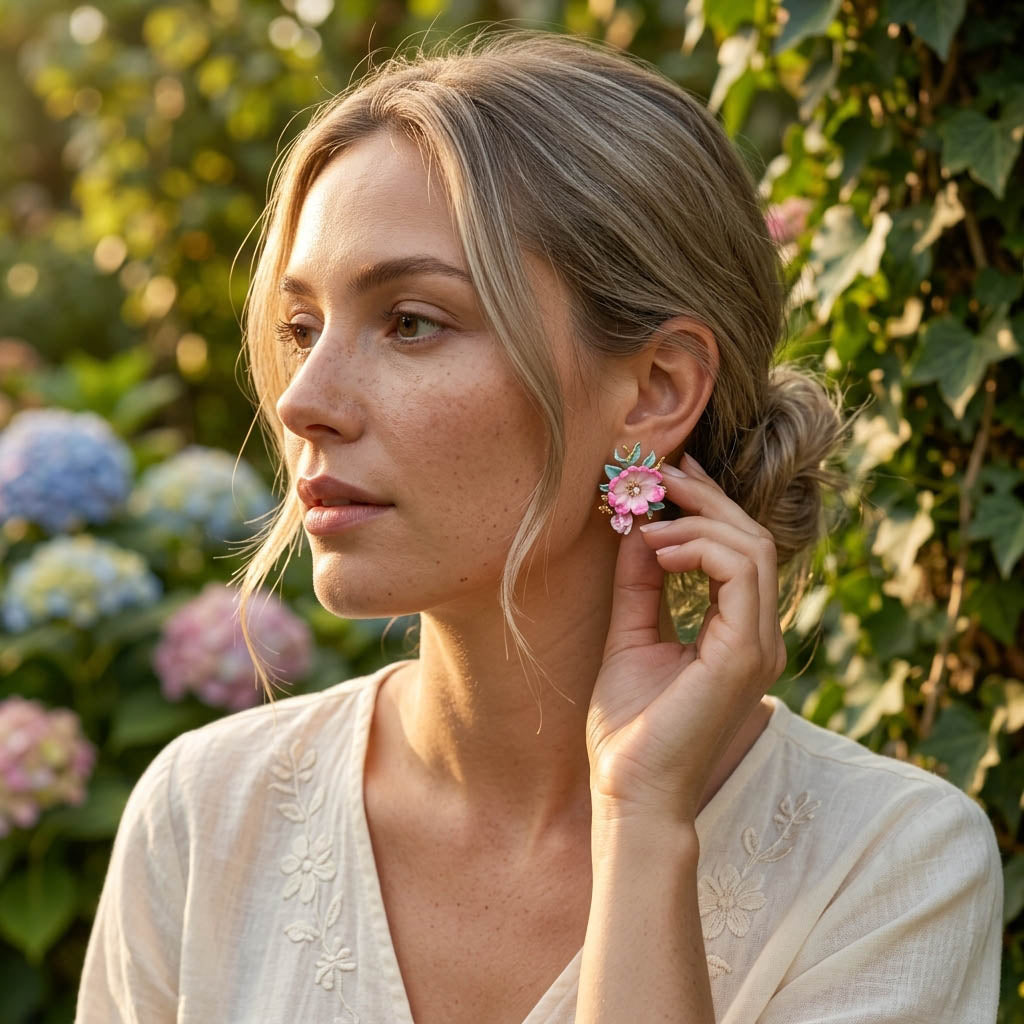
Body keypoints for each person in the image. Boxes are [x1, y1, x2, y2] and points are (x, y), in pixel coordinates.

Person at [75, 26, 1003, 1024]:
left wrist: (642, 823)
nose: (304, 398)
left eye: (411, 322)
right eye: (301, 327)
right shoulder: (208, 817)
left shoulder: (889, 867)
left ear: (654, 389)